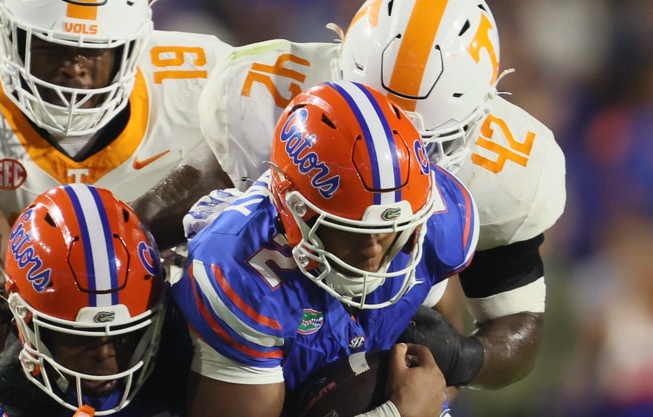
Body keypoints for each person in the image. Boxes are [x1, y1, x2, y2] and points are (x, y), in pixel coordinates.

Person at [196, 0, 566, 390]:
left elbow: (517, 326)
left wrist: (462, 358)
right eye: (368, 129)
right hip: (258, 318)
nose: (392, 165)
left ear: (481, 114)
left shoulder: (504, 177)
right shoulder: (262, 100)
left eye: (424, 146)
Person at [0, 0, 233, 414]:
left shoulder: (211, 77)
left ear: (133, 43)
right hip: (25, 347)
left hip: (179, 317)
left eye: (94, 51)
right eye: (50, 46)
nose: (74, 68)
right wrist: (108, 252)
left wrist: (102, 245)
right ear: (6, 34)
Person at [171, 80, 479, 417]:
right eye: (350, 231)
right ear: (293, 210)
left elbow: (442, 372)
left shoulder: (438, 222)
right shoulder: (240, 274)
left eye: (390, 231)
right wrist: (393, 414)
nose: (373, 252)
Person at [0, 183, 177, 417]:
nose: (104, 355)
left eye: (123, 338)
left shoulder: (192, 391)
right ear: (23, 319)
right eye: (80, 337)